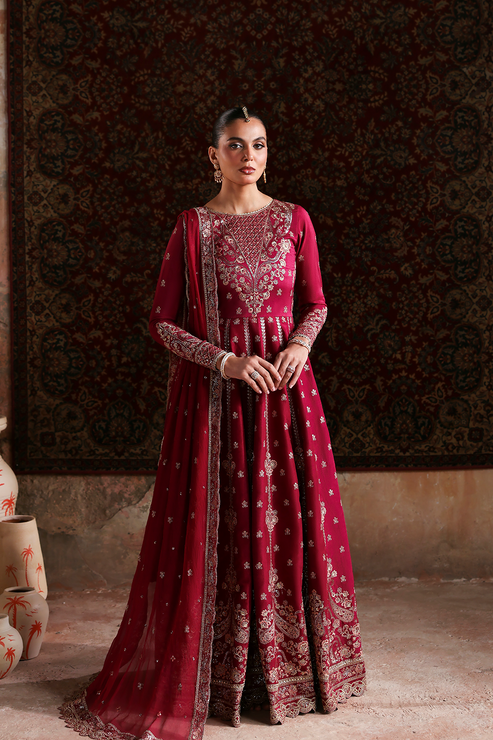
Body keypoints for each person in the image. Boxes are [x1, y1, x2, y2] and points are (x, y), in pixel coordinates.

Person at [60, 106, 366, 740]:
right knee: (222, 526)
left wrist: (298, 346)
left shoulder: (295, 219)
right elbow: (163, 323)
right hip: (217, 403)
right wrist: (226, 362)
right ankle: (219, 675)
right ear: (213, 155)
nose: (248, 156)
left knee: (288, 521)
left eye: (258, 145)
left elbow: (315, 303)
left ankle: (293, 674)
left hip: (284, 397)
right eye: (235, 145)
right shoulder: (193, 226)